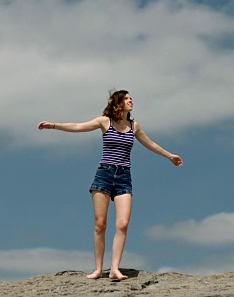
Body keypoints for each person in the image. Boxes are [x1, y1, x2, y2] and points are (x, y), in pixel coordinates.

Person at [37, 90, 183, 281]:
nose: (131, 101)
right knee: (100, 225)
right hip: (104, 175)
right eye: (127, 98)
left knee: (122, 224)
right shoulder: (105, 122)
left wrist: (170, 156)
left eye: (132, 99)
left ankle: (114, 269)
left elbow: (151, 143)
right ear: (118, 102)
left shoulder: (134, 125)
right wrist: (54, 125)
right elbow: (78, 126)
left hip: (124, 177)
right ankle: (98, 269)